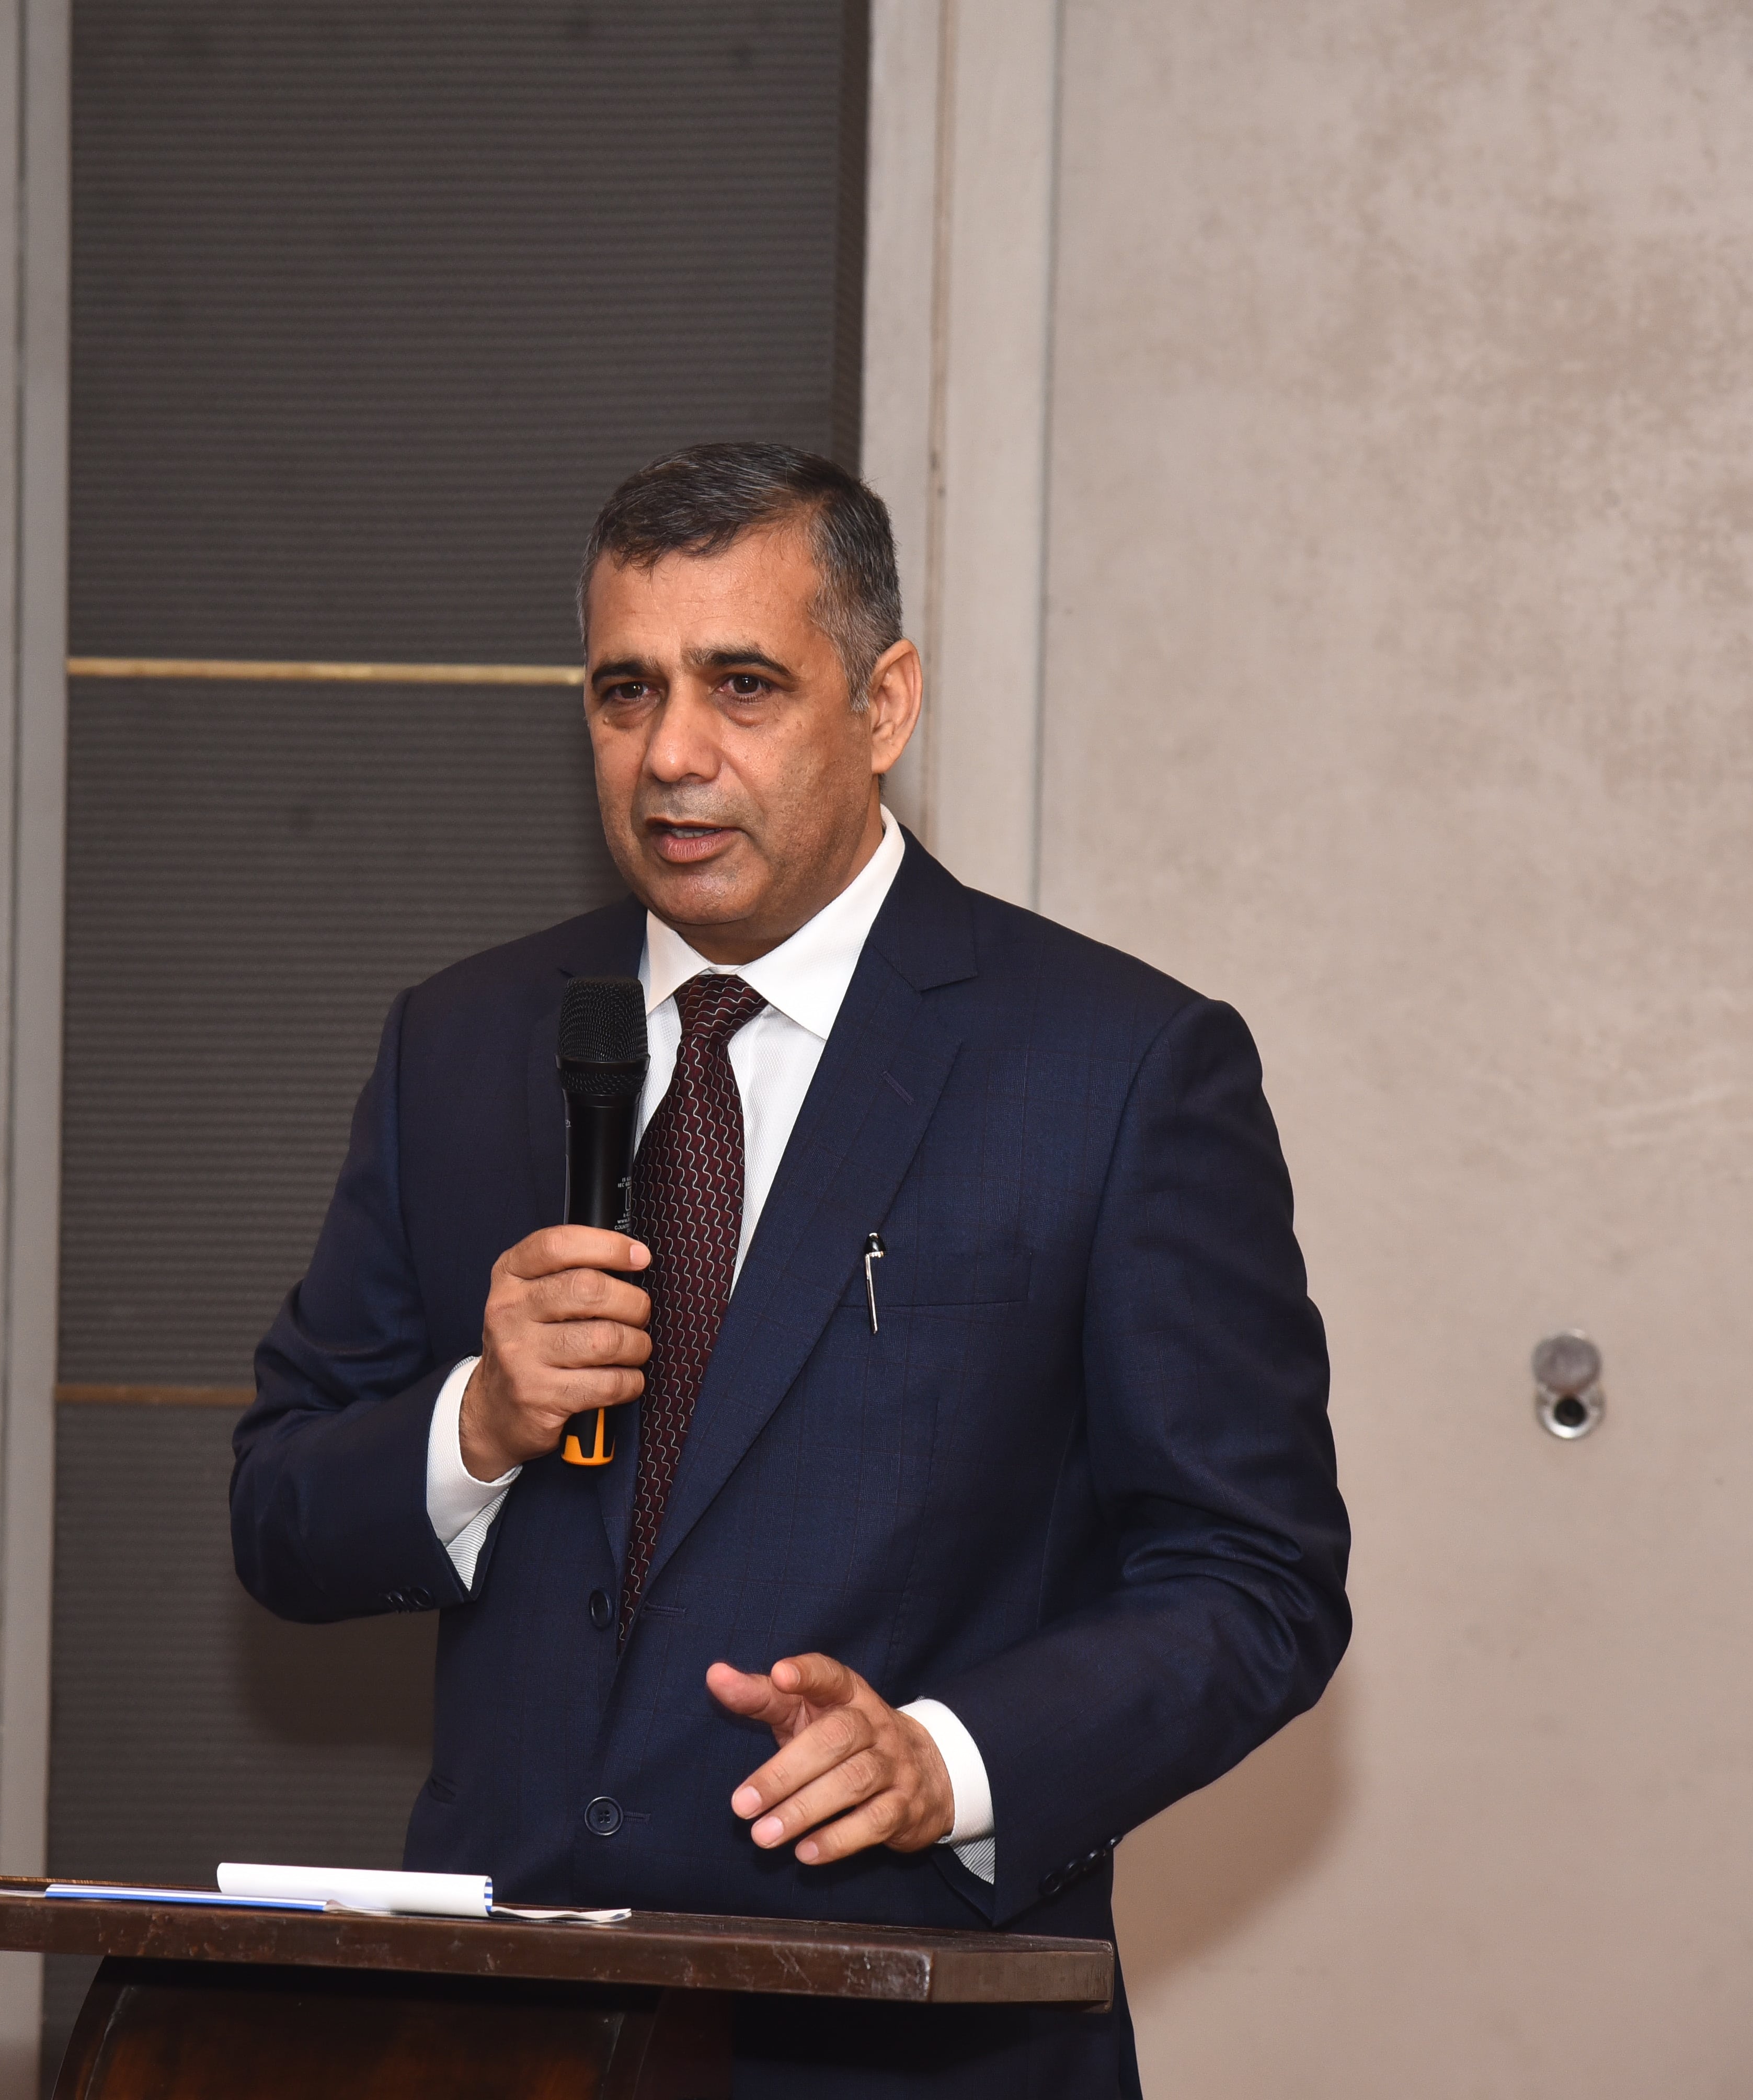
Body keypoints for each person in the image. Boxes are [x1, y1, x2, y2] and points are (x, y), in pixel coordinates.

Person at [232, 442, 1349, 2097]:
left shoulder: (1116, 1070)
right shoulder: (462, 1045)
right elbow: (279, 1515)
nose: (672, 754)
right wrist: (475, 1422)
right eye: (626, 692)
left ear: (884, 705)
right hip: (506, 2043)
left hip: (905, 2048)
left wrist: (949, 1762)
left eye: (742, 686)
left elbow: (1256, 1581)